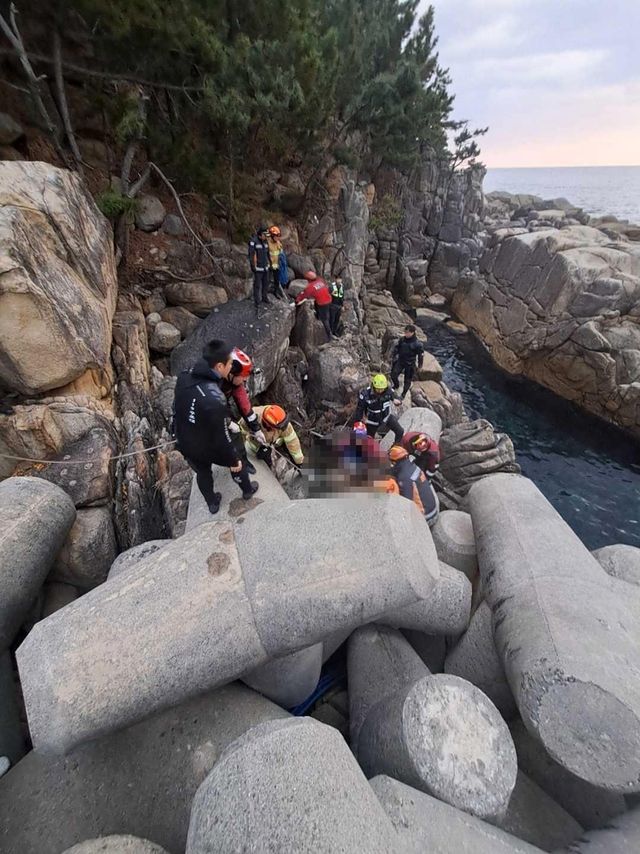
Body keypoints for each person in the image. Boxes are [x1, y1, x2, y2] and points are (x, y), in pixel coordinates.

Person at [173, 339, 259, 514]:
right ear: (220, 366)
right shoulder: (215, 398)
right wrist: (233, 460)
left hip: (185, 440)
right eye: (229, 363)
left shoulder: (184, 376)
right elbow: (222, 438)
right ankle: (248, 491)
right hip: (208, 442)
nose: (231, 366)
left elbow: (178, 408)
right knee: (237, 463)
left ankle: (212, 503)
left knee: (203, 473)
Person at [220, 347, 268, 474]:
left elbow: (245, 406)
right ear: (231, 372)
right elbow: (210, 410)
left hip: (219, 405)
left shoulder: (233, 382)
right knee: (230, 435)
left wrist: (256, 429)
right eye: (243, 376)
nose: (245, 379)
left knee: (235, 434)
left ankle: (243, 462)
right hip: (202, 414)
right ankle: (237, 466)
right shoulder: (211, 385)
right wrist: (228, 422)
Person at [387, 445, 439, 526]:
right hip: (433, 508)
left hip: (426, 516)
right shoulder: (414, 467)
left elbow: (406, 503)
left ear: (394, 462)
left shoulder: (404, 478)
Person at [353, 374, 404, 442]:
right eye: (378, 389)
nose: (380, 391)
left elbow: (397, 397)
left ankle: (395, 448)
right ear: (374, 386)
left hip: (386, 417)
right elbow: (359, 409)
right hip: (371, 421)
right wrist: (359, 423)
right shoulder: (365, 394)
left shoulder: (388, 391)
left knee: (400, 431)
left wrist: (397, 401)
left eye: (382, 389)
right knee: (367, 441)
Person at [295, 270, 333, 340]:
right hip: (328, 299)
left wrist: (297, 301)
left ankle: (329, 335)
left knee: (325, 319)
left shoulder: (310, 287)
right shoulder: (320, 280)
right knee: (323, 310)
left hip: (322, 303)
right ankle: (319, 316)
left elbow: (304, 295)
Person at [391, 324, 424, 399]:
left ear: (412, 333)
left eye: (407, 332)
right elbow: (397, 347)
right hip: (401, 360)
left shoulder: (418, 344)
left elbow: (420, 355)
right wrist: (394, 355)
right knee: (393, 374)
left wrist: (420, 366)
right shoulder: (402, 339)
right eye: (405, 332)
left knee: (407, 380)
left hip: (410, 363)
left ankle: (403, 393)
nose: (406, 334)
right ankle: (396, 385)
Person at [248, 225, 271, 310]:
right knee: (257, 285)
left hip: (266, 267)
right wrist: (253, 266)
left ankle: (264, 297)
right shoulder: (253, 242)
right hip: (258, 268)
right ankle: (257, 301)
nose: (266, 237)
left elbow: (268, 254)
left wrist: (270, 264)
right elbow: (251, 255)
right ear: (260, 234)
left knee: (266, 284)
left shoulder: (265, 242)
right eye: (265, 235)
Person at [267, 226, 287, 300]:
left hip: (277, 265)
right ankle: (264, 294)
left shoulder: (278, 243)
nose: (278, 238)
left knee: (276, 280)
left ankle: (276, 292)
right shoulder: (267, 243)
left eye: (278, 236)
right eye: (276, 236)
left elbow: (281, 252)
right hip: (269, 265)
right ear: (272, 236)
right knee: (266, 280)